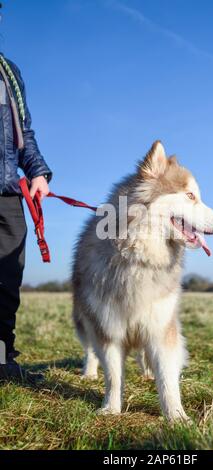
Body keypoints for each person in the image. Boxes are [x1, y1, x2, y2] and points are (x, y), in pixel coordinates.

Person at [0, 3, 52, 382]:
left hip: (7, 191)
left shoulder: (9, 72)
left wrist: (37, 172)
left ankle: (2, 359)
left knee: (7, 279)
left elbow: (25, 133)